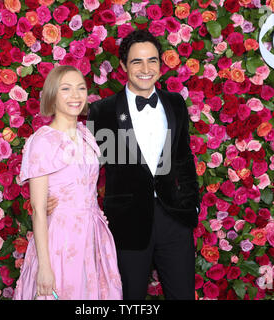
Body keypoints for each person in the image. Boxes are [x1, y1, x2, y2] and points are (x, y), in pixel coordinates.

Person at [86, 30, 200, 300]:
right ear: (124, 66)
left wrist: (192, 204)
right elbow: (90, 167)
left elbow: (184, 157)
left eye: (152, 60)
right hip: (127, 223)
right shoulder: (102, 111)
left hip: (175, 218)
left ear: (161, 64)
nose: (146, 69)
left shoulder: (175, 103)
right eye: (137, 62)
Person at [13, 65, 122, 300]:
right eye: (66, 89)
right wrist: (44, 267)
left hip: (92, 235)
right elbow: (39, 210)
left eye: (81, 88)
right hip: (60, 240)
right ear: (53, 95)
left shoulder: (86, 134)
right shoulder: (42, 141)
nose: (75, 95)